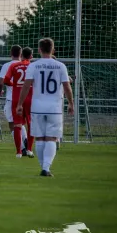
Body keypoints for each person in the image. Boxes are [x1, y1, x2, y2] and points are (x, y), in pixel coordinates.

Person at [16, 38, 74, 177]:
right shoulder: (60, 66)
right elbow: (67, 86)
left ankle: (43, 167)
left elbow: (26, 86)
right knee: (52, 138)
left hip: (37, 106)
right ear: (53, 50)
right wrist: (71, 103)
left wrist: (19, 104)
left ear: (39, 50)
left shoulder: (33, 66)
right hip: (54, 107)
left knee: (40, 138)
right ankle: (46, 168)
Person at [4, 47, 35, 159]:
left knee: (17, 125)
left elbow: (6, 80)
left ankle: (19, 152)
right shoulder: (33, 66)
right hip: (31, 98)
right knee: (31, 124)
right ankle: (30, 150)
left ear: (21, 55)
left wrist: (15, 85)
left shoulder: (13, 65)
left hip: (17, 98)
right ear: (31, 56)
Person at [0, 45, 27, 154]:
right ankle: (26, 139)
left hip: (12, 98)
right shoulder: (26, 65)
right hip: (25, 98)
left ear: (11, 53)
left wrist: (0, 91)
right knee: (21, 122)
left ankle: (22, 147)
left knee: (12, 123)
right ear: (21, 53)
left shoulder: (7, 65)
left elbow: (1, 82)